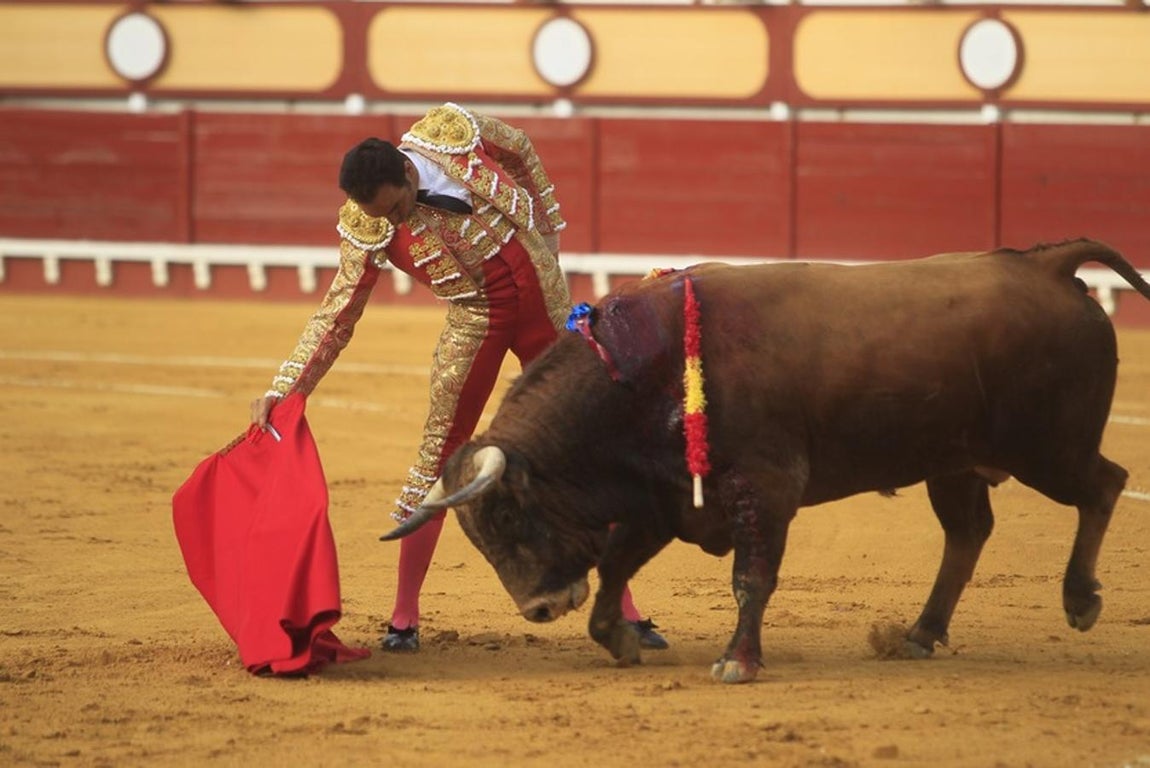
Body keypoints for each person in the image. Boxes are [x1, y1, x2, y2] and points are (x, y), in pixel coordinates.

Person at [249, 102, 669, 654]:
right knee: (439, 457)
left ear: (405, 171)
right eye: (384, 216)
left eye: (397, 208)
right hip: (477, 319)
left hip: (544, 301)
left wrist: (549, 232)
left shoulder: (451, 134)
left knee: (590, 442)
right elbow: (337, 314)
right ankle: (403, 617)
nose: (395, 222)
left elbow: (520, 147)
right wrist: (287, 387)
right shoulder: (368, 226)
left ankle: (624, 608)